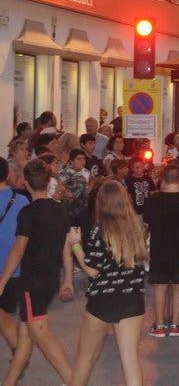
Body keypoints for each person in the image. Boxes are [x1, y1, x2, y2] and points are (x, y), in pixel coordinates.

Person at [67, 180, 148, 386]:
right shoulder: (136, 226)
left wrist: (76, 245)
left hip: (103, 300)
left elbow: (92, 270)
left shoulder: (99, 230)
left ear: (101, 202)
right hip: (132, 299)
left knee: (85, 358)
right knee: (130, 360)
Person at [0, 159, 73, 386]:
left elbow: (18, 250)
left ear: (27, 184)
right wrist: (68, 278)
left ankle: (74, 380)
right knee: (25, 336)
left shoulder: (28, 212)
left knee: (39, 333)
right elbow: (66, 246)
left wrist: (2, 282)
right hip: (51, 279)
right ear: (48, 181)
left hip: (32, 282)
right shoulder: (59, 209)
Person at [142, 165, 179, 337]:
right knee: (178, 286)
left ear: (162, 180)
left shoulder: (153, 200)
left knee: (160, 287)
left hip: (158, 249)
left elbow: (146, 226)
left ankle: (159, 325)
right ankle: (176, 325)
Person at [0, 158, 29, 355]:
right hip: (15, 269)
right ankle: (19, 351)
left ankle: (18, 351)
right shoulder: (21, 201)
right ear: (8, 175)